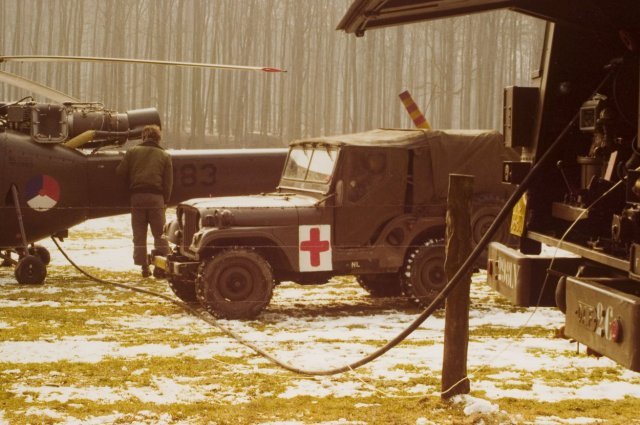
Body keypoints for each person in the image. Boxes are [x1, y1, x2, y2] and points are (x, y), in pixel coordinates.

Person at [116, 124, 173, 277]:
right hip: (156, 199)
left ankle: (144, 267)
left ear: (143, 137)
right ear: (158, 138)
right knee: (160, 234)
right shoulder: (164, 156)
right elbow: (168, 183)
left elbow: (120, 172)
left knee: (139, 234)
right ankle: (160, 267)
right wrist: (166, 201)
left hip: (137, 197)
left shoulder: (132, 152)